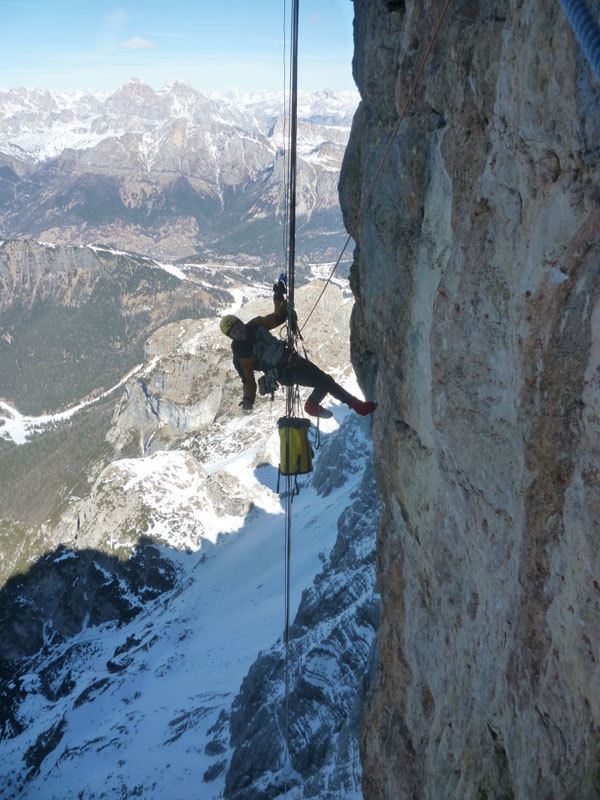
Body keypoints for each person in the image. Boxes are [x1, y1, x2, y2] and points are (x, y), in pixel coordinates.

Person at [220, 278, 377, 419]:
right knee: (324, 382)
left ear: (241, 323)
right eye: (234, 332)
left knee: (327, 380)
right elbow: (248, 380)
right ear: (231, 337)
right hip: (284, 372)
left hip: (292, 359)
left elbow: (278, 317)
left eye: (238, 327)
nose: (239, 332)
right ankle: (315, 406)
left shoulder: (256, 325)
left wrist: (278, 297)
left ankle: (357, 407)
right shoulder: (241, 356)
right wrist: (248, 399)